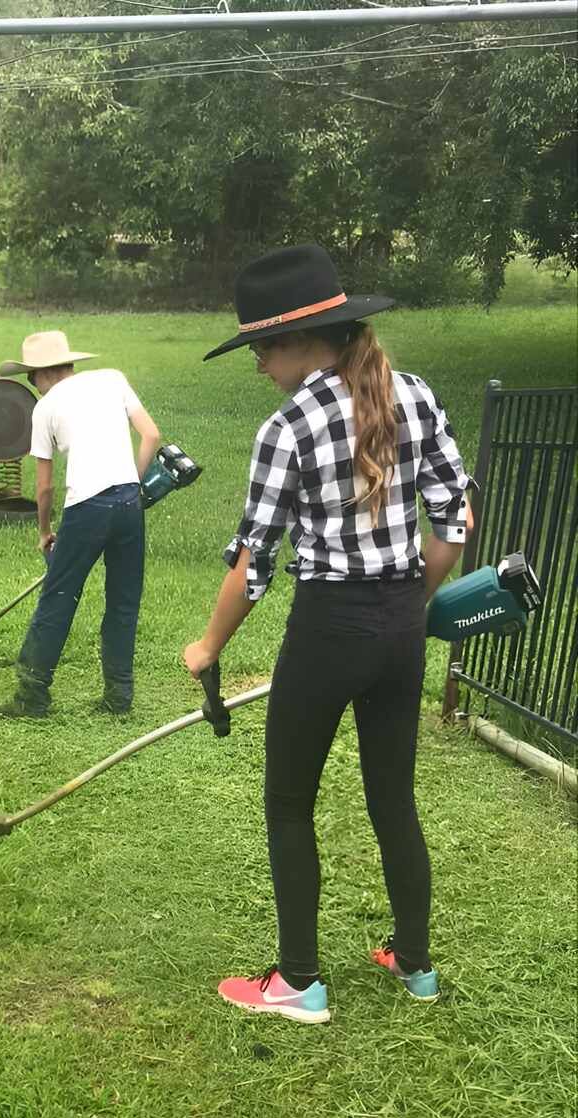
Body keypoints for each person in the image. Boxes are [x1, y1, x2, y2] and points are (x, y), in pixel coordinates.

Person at [182, 244, 474, 1025]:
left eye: (262, 349)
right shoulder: (414, 393)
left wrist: (207, 648)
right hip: (400, 627)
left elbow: (253, 565)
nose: (259, 367)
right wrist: (413, 597)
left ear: (302, 342)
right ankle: (414, 964)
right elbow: (457, 521)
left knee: (288, 802)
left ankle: (301, 983)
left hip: (327, 628)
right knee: (392, 800)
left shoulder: (289, 426)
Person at [0, 330, 161, 719]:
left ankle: (32, 697)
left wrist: (45, 532)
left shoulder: (45, 408)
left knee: (58, 598)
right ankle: (119, 698)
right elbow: (151, 435)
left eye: (31, 379)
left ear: (41, 375)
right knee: (123, 603)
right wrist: (131, 485)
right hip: (129, 503)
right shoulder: (112, 378)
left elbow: (44, 487)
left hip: (86, 507)